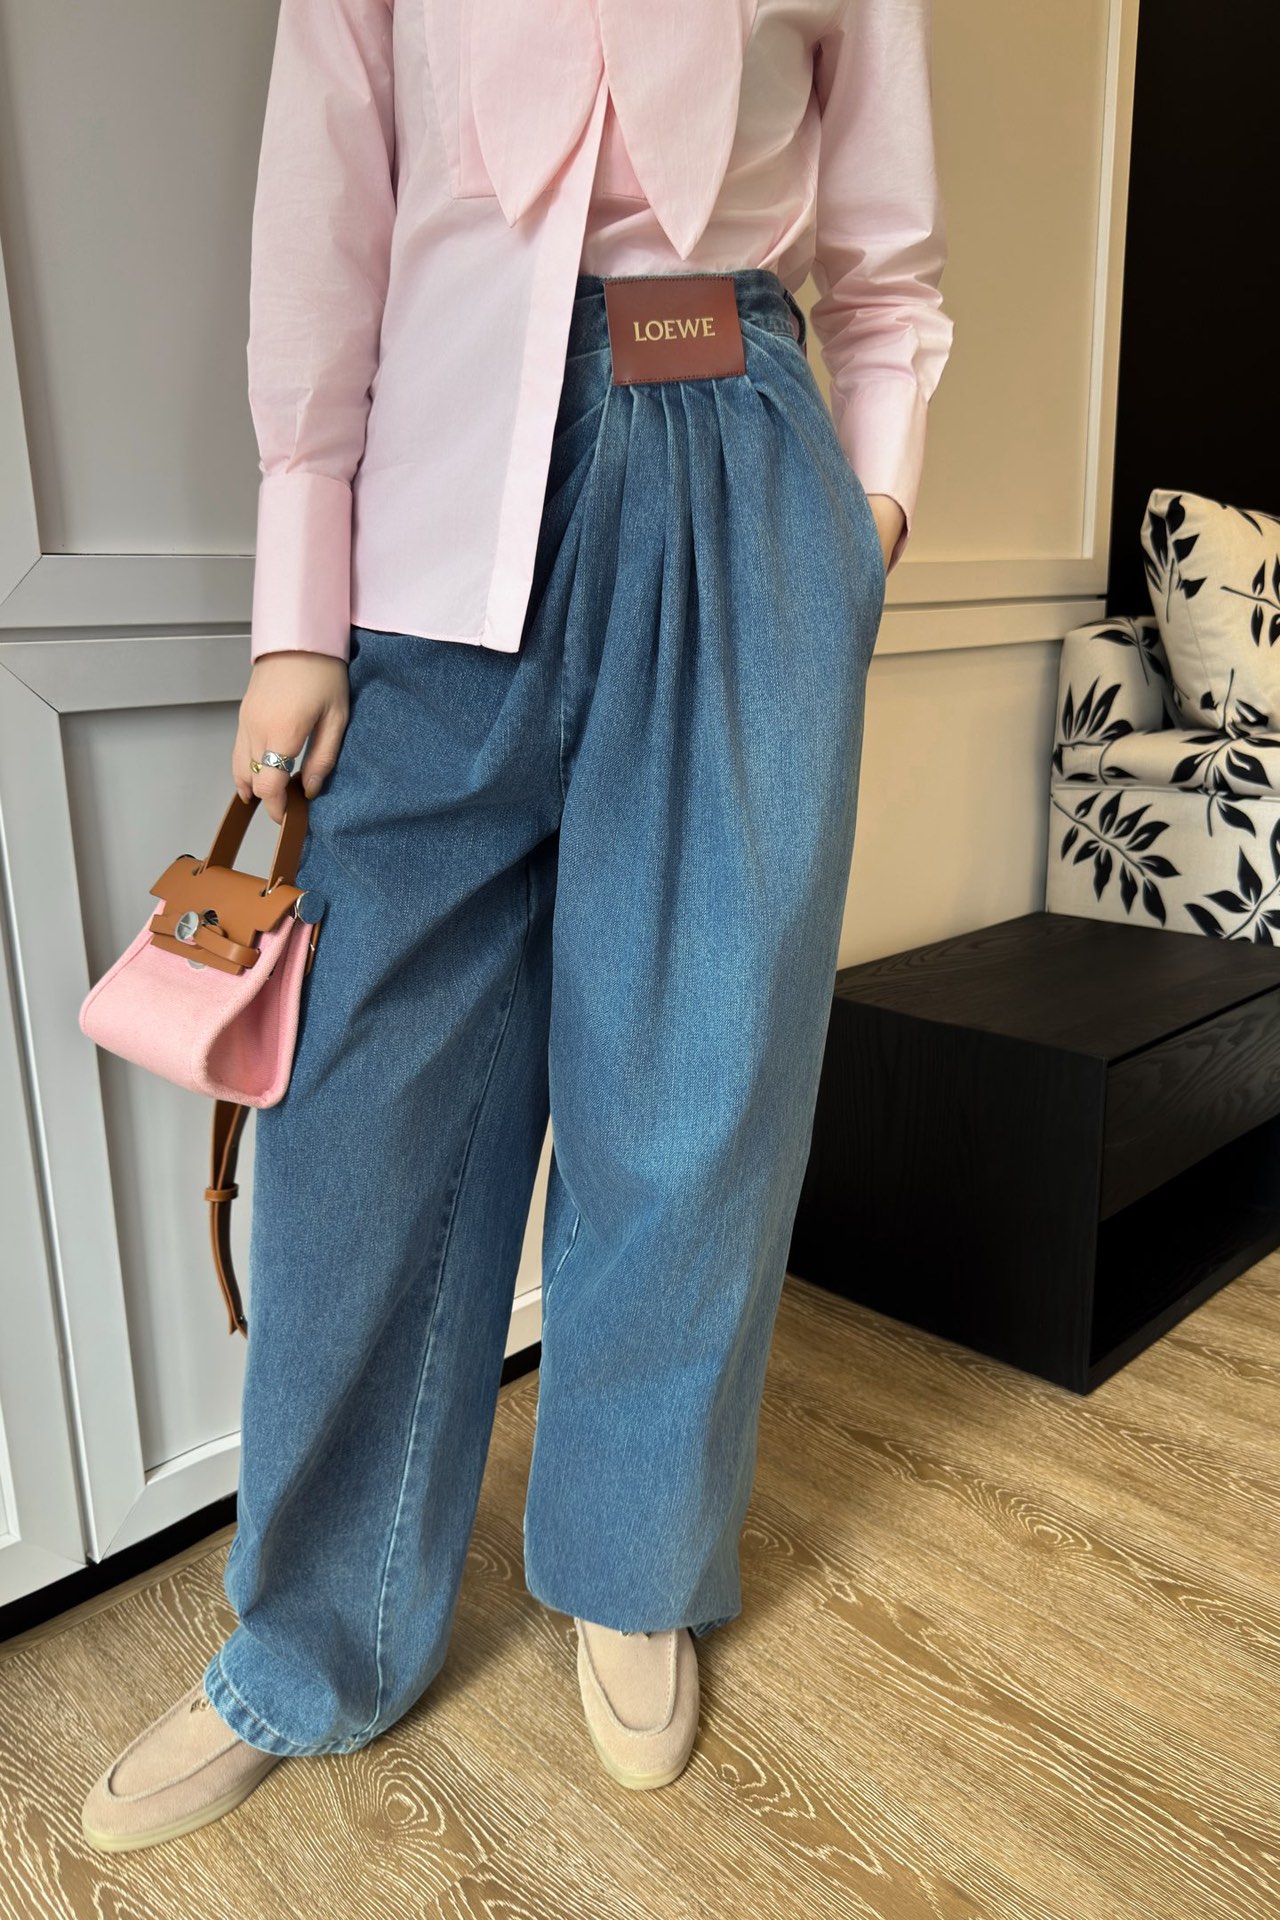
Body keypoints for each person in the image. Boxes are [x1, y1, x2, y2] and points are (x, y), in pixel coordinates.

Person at [81, 0, 953, 1852]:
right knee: (362, 1111)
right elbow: (325, 212)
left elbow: (888, 247)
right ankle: (312, 1638)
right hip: (439, 485)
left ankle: (636, 1565)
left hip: (743, 461)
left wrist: (861, 516)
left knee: (696, 1078)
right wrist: (298, 601)